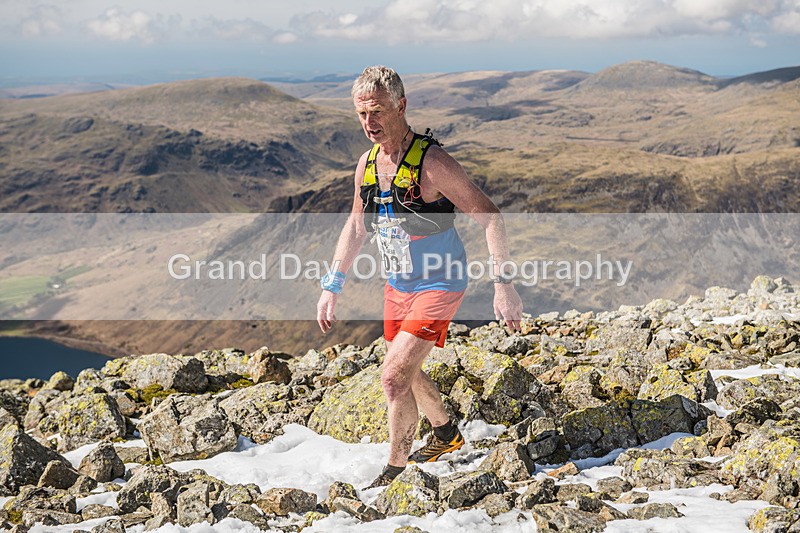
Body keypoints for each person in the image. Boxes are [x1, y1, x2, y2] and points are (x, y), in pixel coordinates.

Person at [316, 65, 523, 489]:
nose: (369, 123)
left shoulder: (433, 163)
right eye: (361, 114)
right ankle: (446, 434)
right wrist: (331, 286)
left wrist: (503, 286)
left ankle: (394, 473)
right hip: (398, 285)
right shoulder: (367, 164)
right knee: (403, 366)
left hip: (440, 283)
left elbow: (491, 217)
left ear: (401, 106)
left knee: (393, 377)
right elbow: (356, 226)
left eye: (377, 111)